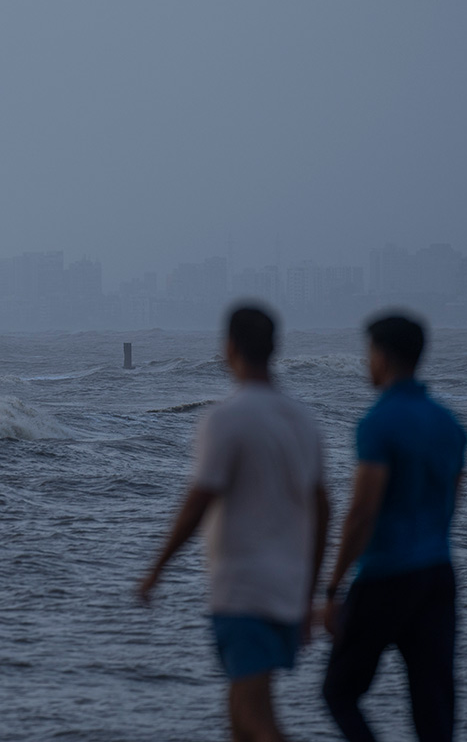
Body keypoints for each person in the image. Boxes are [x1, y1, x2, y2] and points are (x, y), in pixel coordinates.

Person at [139, 305, 330, 742]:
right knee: (240, 713)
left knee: (253, 712)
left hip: (244, 588)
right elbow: (323, 508)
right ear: (274, 348)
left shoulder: (227, 418)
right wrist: (309, 590)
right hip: (287, 586)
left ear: (229, 347)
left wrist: (156, 568)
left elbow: (198, 501)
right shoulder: (303, 419)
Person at [322, 314, 467, 741]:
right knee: (433, 707)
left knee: (339, 691)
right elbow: (450, 502)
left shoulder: (379, 422)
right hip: (438, 575)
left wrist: (333, 588)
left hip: (387, 576)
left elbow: (362, 511)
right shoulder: (450, 424)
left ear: (381, 356)